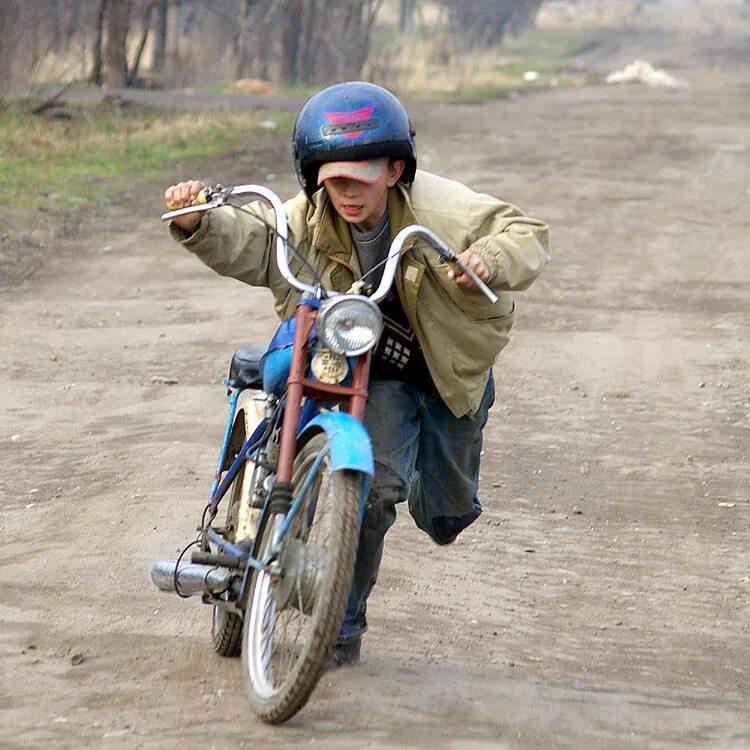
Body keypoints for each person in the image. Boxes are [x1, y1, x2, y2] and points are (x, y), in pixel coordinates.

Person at [164, 81, 550, 668]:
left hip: (447, 373)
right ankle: (339, 628)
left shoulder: (445, 209)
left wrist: (486, 259)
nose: (345, 191)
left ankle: (425, 485)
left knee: (446, 515)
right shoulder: (304, 220)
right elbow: (251, 241)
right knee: (371, 493)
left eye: (360, 178)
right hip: (375, 371)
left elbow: (526, 233)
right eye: (333, 177)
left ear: (394, 170)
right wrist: (198, 223)